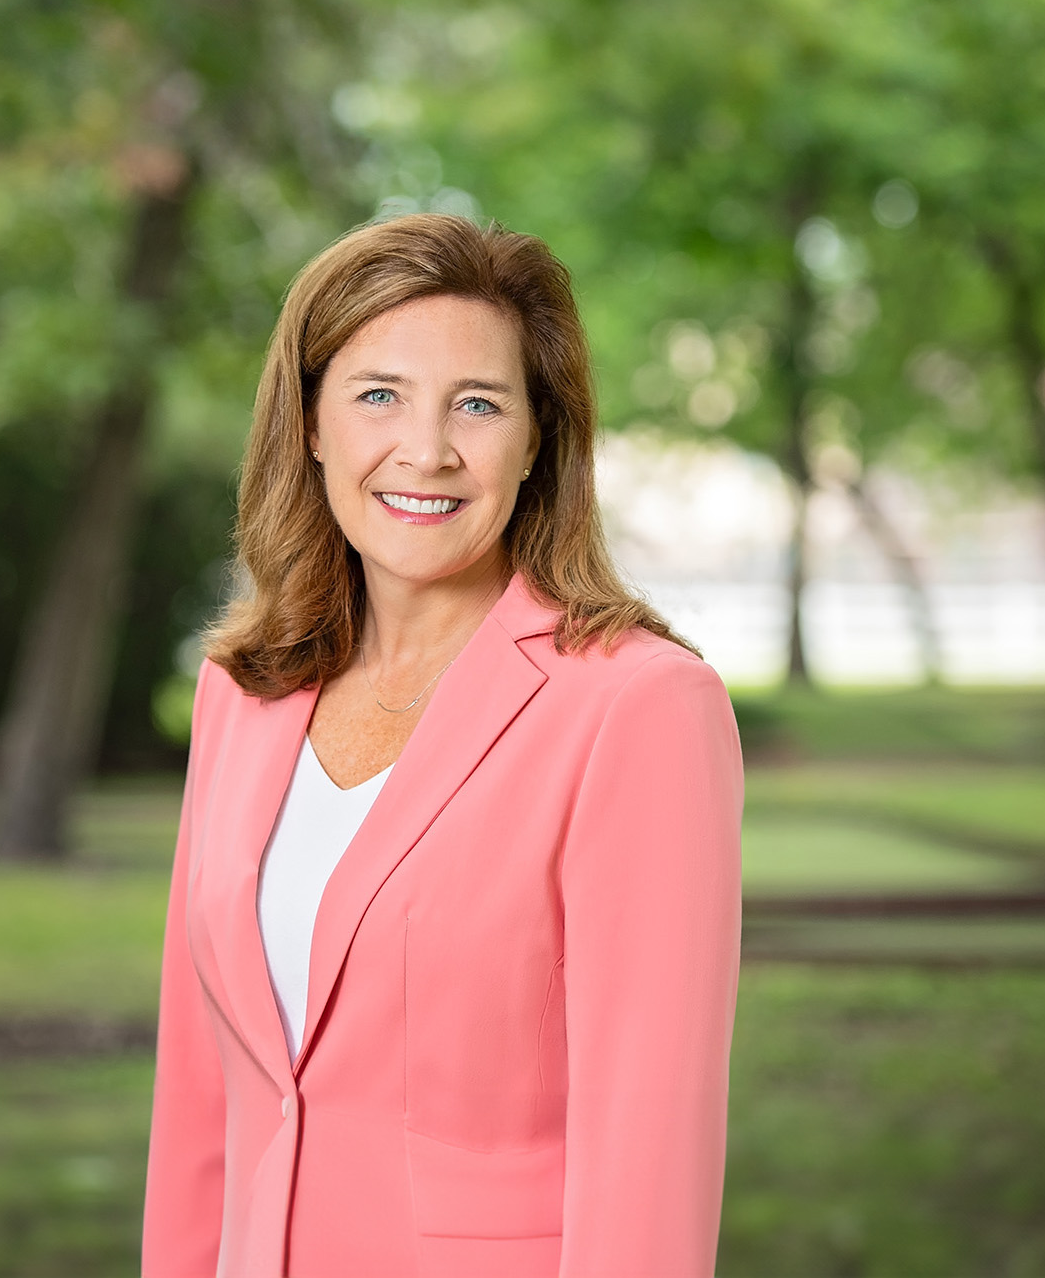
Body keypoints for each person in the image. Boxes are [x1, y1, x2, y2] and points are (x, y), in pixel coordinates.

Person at [141, 213, 743, 1278]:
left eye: (477, 403)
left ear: (536, 439)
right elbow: (205, 1097)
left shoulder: (637, 709)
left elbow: (648, 1154)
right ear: (313, 422)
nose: (426, 450)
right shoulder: (246, 691)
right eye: (379, 394)